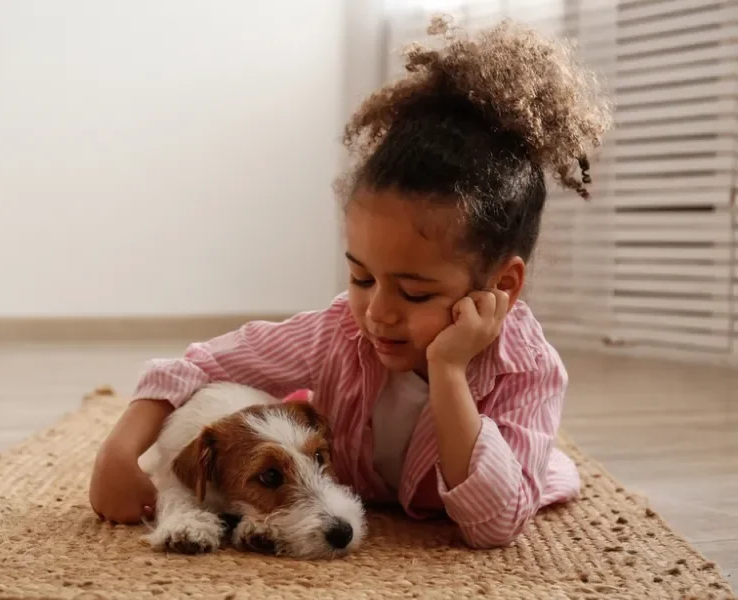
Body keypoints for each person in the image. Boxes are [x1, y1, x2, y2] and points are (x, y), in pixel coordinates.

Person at [89, 15, 613, 549]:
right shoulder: (341, 329)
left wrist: (449, 372)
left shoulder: (529, 373)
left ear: (501, 285)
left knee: (538, 472)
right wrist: (118, 452)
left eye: (414, 293)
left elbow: (495, 526)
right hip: (343, 487)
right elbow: (195, 365)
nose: (378, 312)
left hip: (513, 480)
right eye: (361, 276)